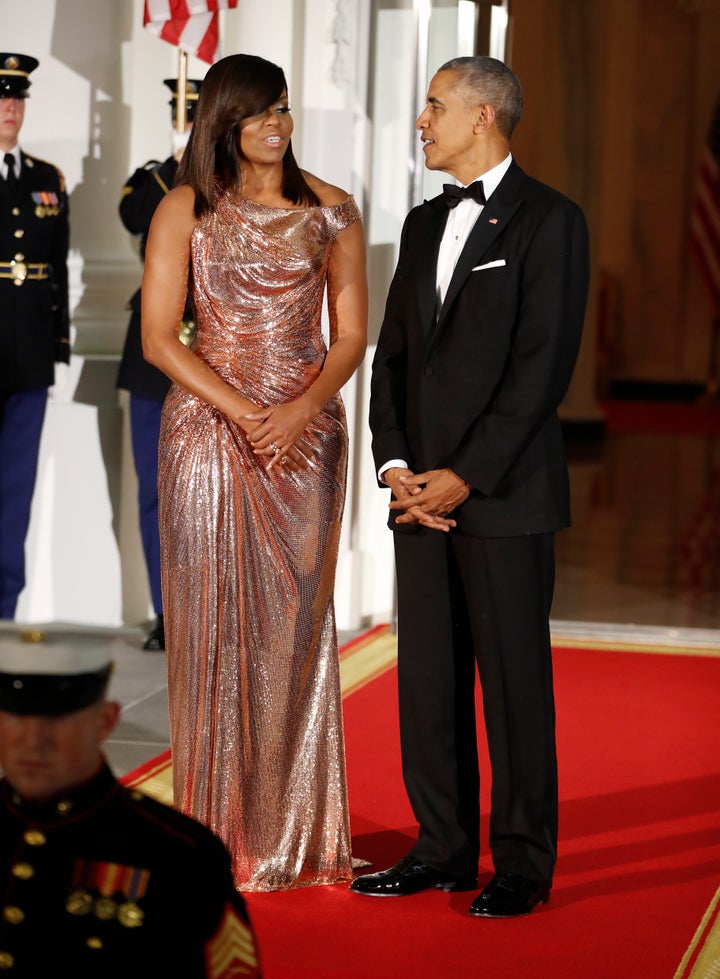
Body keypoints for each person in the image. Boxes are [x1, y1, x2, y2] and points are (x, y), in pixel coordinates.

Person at [352, 56, 590, 917]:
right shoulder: (420, 225)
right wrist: (397, 467)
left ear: (484, 116)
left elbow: (541, 369)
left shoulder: (551, 221)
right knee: (430, 681)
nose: (422, 121)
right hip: (418, 496)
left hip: (504, 497)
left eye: (434, 106)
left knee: (516, 687)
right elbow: (394, 359)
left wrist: (466, 475)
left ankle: (523, 861)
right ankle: (442, 847)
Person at [141, 54, 367, 891]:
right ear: (223, 122)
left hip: (305, 436)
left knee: (295, 633)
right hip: (208, 430)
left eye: (282, 108)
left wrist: (301, 409)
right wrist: (244, 412)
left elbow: (350, 334)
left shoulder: (333, 211)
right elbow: (160, 339)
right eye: (257, 112)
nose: (275, 124)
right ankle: (211, 838)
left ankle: (295, 839)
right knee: (210, 628)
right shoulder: (185, 208)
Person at [0, 634, 262, 977]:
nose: (33, 743)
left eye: (58, 722)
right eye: (16, 719)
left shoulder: (179, 856)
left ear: (105, 721)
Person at [117, 78, 202, 652]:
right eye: (186, 119)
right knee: (156, 492)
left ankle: (208, 611)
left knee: (208, 494)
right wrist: (174, 169)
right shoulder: (152, 180)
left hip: (216, 354)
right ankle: (167, 611)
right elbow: (135, 220)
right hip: (154, 357)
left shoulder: (235, 184)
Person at [0, 53, 70, 620]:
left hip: (28, 354)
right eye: (2, 98)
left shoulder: (47, 179)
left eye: (18, 98)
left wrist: (59, 342)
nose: (10, 108)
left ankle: (4, 609)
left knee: (14, 492)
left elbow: (58, 270)